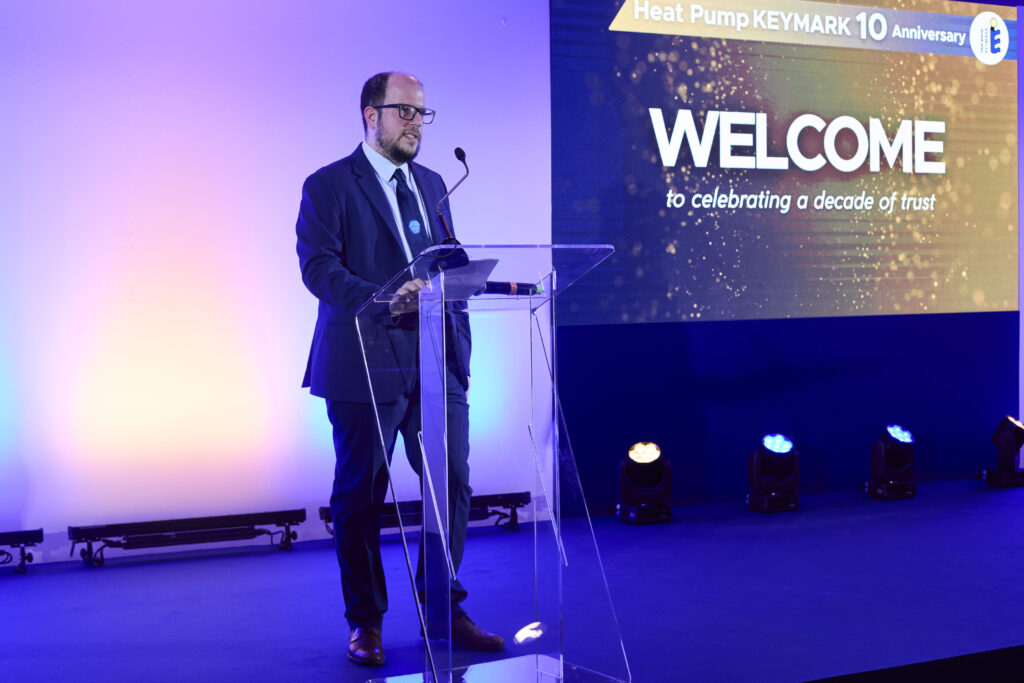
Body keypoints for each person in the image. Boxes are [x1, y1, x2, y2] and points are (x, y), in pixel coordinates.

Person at [295, 71, 504, 668]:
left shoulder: (434, 183)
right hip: (364, 359)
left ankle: (443, 606)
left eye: (422, 114)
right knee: (361, 494)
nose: (416, 123)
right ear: (371, 115)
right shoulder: (329, 184)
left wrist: (461, 321)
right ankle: (365, 621)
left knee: (452, 483)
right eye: (404, 111)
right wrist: (383, 298)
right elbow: (318, 267)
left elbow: (448, 264)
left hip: (436, 359)